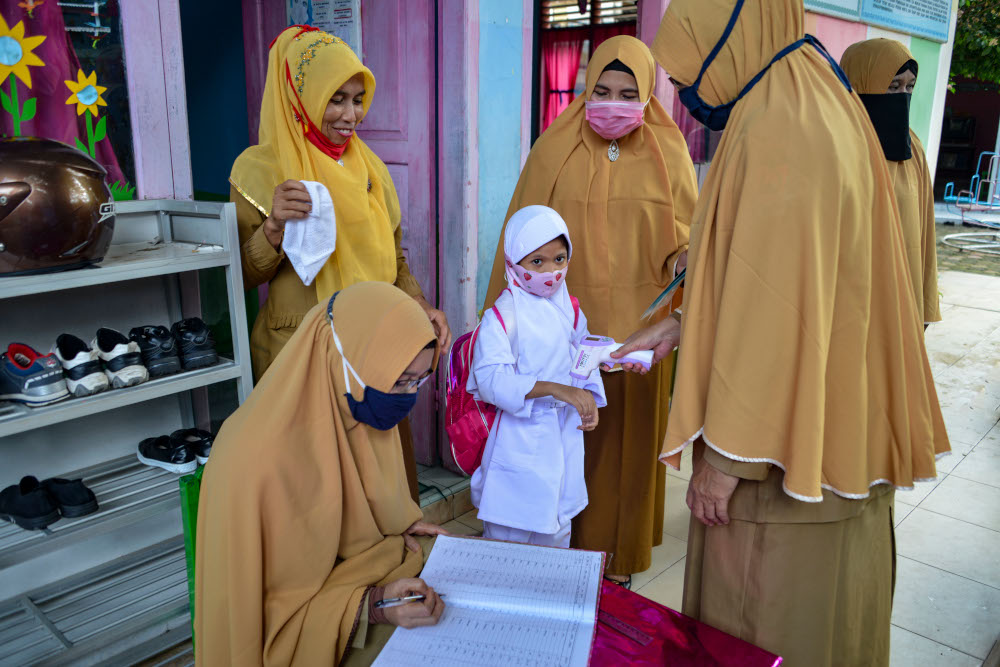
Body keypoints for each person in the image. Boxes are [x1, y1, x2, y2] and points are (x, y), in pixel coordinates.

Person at [611, 1, 951, 664]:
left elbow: (775, 308)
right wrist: (684, 323)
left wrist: (728, 460)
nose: (683, 94)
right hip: (833, 430)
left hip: (783, 465)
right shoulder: (814, 90)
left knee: (761, 627)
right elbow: (792, 279)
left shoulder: (777, 125)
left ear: (726, 41)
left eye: (684, 76)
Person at [484, 36, 697, 586]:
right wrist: (496, 327)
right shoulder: (553, 150)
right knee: (565, 446)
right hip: (558, 337)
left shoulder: (668, 152)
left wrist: (691, 258)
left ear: (648, 95)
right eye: (600, 90)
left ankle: (615, 568)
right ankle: (558, 565)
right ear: (584, 89)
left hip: (641, 338)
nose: (613, 102)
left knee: (624, 454)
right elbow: (520, 233)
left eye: (629, 93)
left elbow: (683, 244)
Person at [230, 25, 450, 499]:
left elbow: (394, 257)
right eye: (336, 99)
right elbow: (240, 278)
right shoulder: (260, 170)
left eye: (357, 98)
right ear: (301, 95)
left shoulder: (369, 167)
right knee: (316, 488)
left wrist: (418, 305)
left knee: (379, 482)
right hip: (303, 352)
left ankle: (388, 565)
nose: (351, 115)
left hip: (377, 347)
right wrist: (273, 231)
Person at [195, 282, 449, 665]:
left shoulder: (359, 405)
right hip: (303, 631)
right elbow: (263, 620)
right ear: (341, 359)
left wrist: (400, 527)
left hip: (356, 589)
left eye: (417, 380)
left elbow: (368, 520)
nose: (407, 395)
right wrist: (375, 606)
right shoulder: (253, 460)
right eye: (399, 381)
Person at [470, 205, 606, 547]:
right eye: (537, 262)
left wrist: (587, 394)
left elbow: (582, 354)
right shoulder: (503, 315)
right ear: (514, 262)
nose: (551, 271)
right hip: (519, 440)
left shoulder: (570, 309)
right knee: (510, 536)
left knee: (557, 529)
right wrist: (556, 390)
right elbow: (490, 380)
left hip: (563, 435)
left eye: (560, 259)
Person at [841, 38, 941, 326]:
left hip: (900, 296)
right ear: (859, 82)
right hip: (851, 299)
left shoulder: (913, 147)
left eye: (909, 87)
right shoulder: (836, 145)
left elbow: (923, 232)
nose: (902, 96)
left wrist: (923, 304)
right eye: (893, 85)